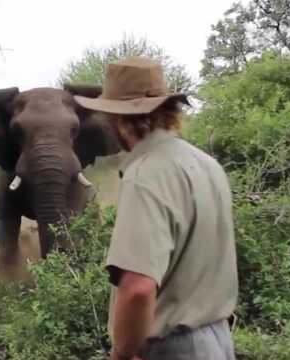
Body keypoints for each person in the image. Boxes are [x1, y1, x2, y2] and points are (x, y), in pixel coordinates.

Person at [73, 57, 239, 360]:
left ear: (120, 120)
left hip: (173, 349)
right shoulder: (206, 164)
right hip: (219, 340)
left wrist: (123, 354)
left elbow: (138, 288)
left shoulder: (146, 173)